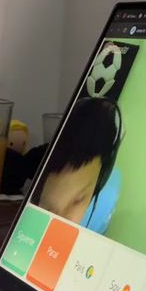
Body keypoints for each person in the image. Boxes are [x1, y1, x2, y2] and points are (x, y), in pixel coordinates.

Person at [30, 96, 122, 228]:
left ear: (101, 179)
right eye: (50, 210)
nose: (63, 221)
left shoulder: (109, 202)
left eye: (78, 200)